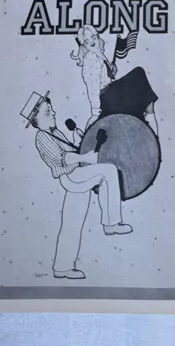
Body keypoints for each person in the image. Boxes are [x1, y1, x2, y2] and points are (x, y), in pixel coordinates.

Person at [21, 91, 132, 281]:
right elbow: (62, 158)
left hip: (75, 175)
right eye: (48, 111)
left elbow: (69, 151)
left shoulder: (54, 132)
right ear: (36, 120)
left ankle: (62, 267)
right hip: (71, 177)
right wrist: (84, 157)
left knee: (72, 221)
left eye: (51, 109)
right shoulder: (42, 137)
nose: (53, 113)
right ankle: (111, 223)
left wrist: (78, 140)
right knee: (108, 171)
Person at [70, 24, 112, 127]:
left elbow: (104, 77)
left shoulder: (99, 53)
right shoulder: (90, 58)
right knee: (138, 73)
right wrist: (96, 111)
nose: (91, 42)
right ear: (83, 45)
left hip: (110, 90)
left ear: (97, 36)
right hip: (105, 97)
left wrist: (111, 71)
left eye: (93, 37)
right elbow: (92, 87)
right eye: (86, 41)